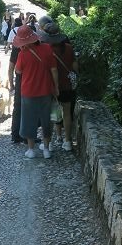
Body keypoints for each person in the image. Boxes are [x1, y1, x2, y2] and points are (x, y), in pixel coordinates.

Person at [13, 24, 59, 159]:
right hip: (45, 91)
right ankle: (46, 149)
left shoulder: (22, 54)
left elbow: (18, 71)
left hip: (28, 92)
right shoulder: (47, 49)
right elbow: (54, 70)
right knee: (46, 120)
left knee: (28, 120)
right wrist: (56, 87)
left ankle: (31, 150)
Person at [37, 19, 78, 151]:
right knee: (66, 113)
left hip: (50, 86)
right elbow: (75, 66)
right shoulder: (69, 48)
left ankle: (49, 143)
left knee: (48, 114)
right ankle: (67, 141)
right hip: (66, 85)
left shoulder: (45, 50)